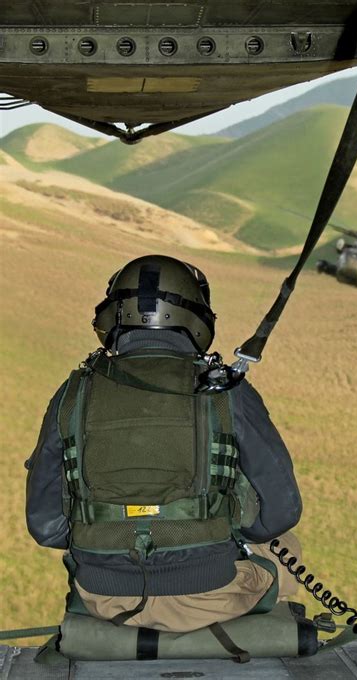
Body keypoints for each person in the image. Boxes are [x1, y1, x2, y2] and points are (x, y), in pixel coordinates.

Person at [25, 254, 303, 633]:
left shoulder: (74, 391)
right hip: (210, 591)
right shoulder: (225, 392)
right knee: (286, 546)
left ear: (111, 317)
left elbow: (47, 528)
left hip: (104, 596)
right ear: (197, 318)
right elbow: (282, 511)